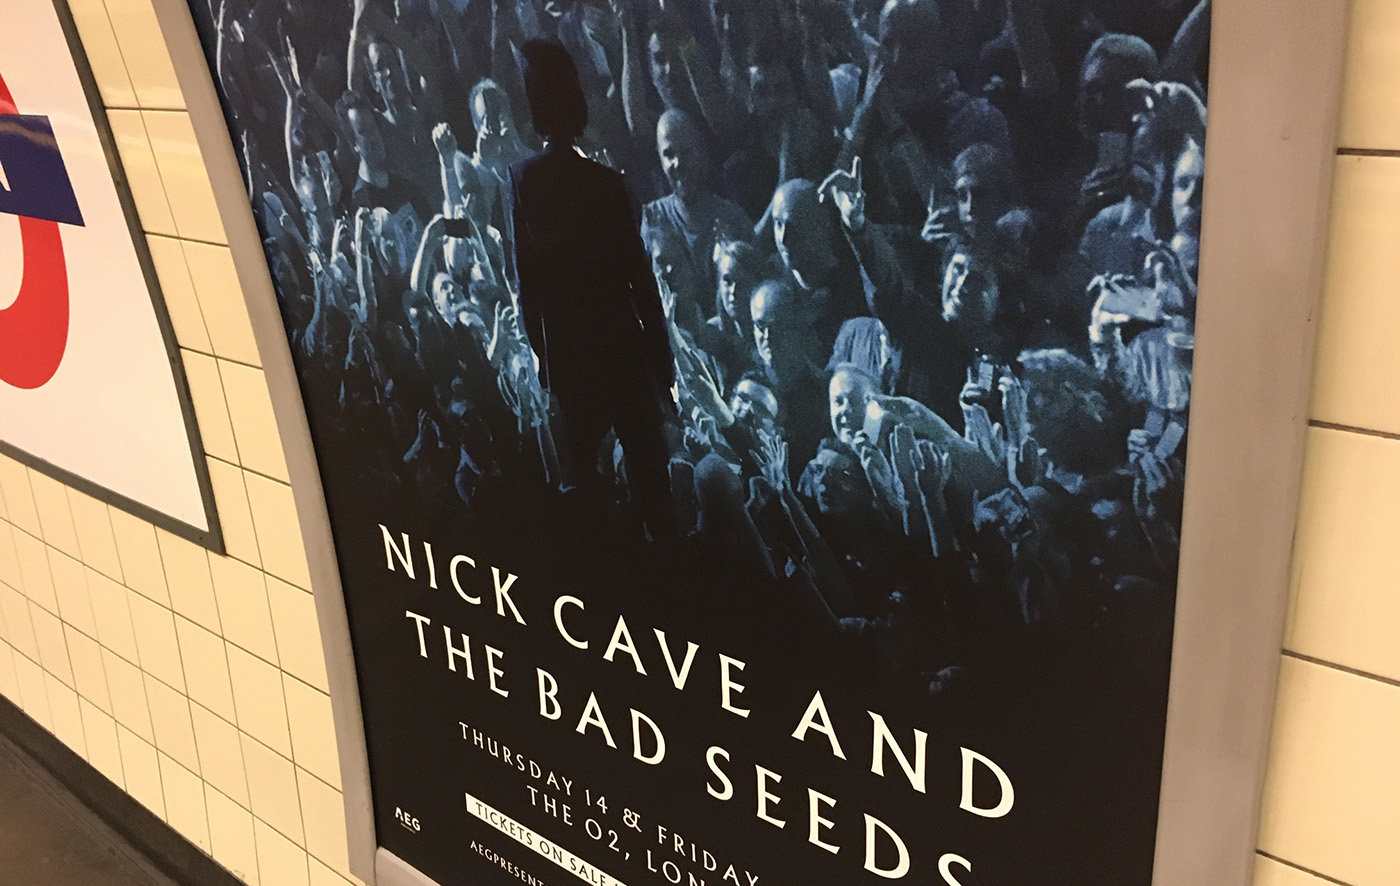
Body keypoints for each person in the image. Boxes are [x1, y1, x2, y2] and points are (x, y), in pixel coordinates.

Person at [510, 39, 677, 538]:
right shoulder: (607, 184)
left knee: (589, 497)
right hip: (624, 354)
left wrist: (548, 365)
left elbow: (528, 286)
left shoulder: (522, 181)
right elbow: (641, 283)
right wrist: (662, 368)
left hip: (574, 364)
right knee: (654, 493)